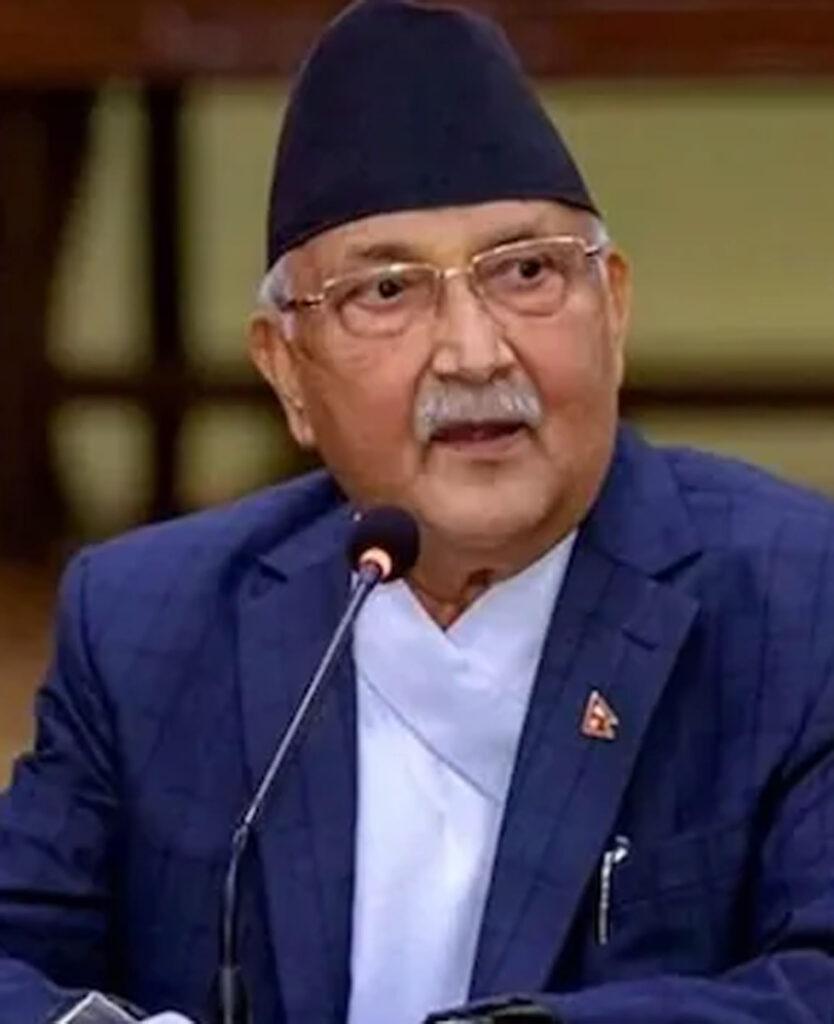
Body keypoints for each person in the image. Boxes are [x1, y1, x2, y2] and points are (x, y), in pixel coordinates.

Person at [2, 0, 834, 1022]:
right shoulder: (148, 625)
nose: (474, 354)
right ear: (288, 373)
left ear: (613, 311)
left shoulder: (799, 599)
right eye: (388, 292)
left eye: (525, 272)